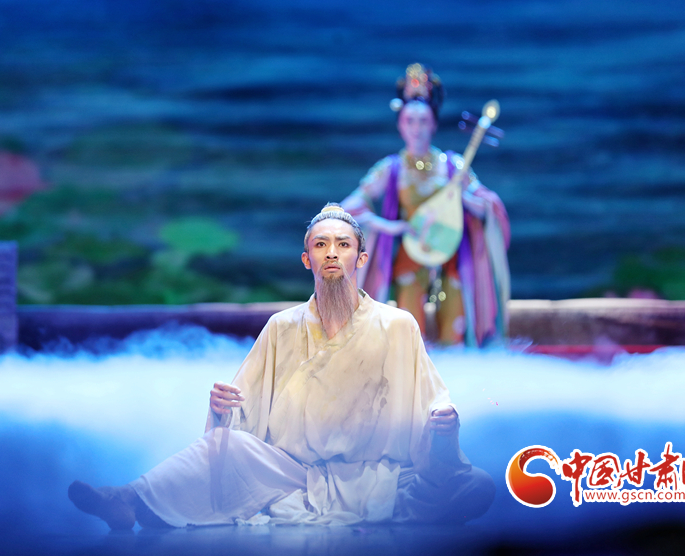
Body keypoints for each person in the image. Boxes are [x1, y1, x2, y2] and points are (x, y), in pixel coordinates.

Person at [68, 204, 495, 529]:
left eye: (343, 245)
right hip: (293, 475)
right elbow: (242, 415)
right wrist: (222, 408)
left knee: (477, 486)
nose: (332, 253)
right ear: (307, 259)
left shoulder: (397, 325)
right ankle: (127, 500)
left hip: (381, 478)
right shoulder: (282, 326)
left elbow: (431, 408)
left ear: (361, 258)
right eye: (321, 245)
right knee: (229, 446)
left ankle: (157, 507)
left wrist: (445, 427)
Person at [342, 63, 511, 346]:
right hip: (410, 258)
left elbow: (488, 209)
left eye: (423, 121)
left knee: (455, 334)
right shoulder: (390, 168)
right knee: (409, 338)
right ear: (400, 126)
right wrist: (389, 226)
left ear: (434, 124)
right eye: (410, 121)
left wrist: (464, 197)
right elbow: (349, 207)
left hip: (451, 261)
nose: (417, 128)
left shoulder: (453, 165)